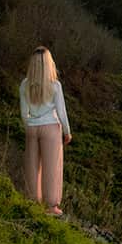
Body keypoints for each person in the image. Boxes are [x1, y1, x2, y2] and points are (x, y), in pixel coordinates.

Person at [19, 46, 72, 216]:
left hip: (31, 128)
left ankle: (32, 201)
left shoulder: (25, 84)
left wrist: (30, 125)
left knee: (32, 165)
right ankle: (51, 206)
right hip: (50, 128)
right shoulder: (55, 86)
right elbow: (61, 112)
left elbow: (23, 113)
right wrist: (67, 131)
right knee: (52, 166)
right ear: (50, 64)